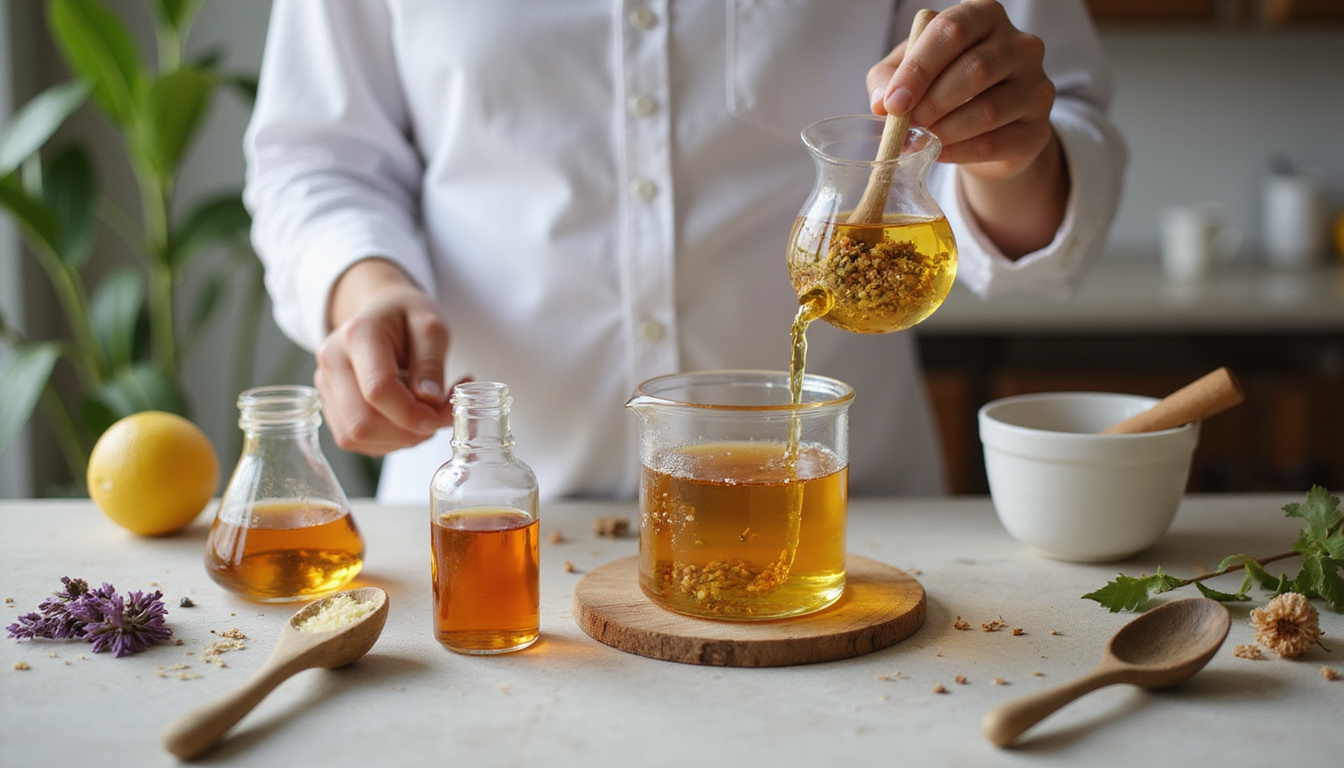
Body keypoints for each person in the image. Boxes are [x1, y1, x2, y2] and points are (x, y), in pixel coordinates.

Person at [244, 0, 1125, 502]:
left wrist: (1008, 147)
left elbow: (1052, 157)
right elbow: (316, 157)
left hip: (850, 521)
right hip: (498, 520)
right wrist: (365, 288)